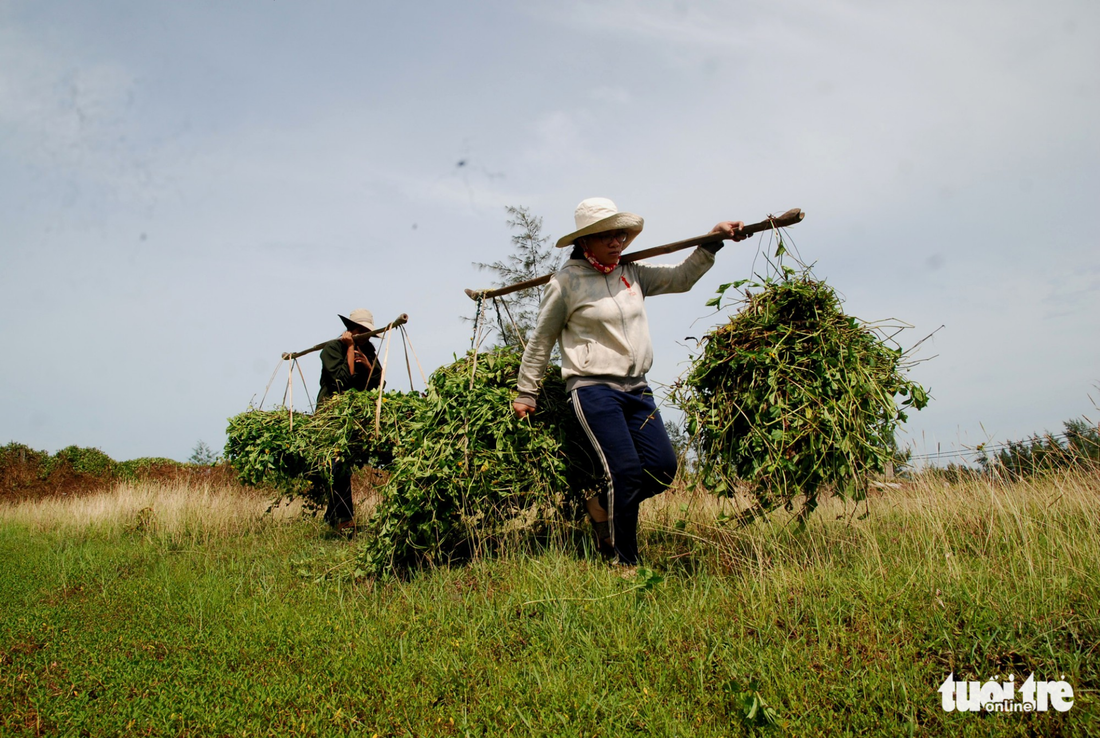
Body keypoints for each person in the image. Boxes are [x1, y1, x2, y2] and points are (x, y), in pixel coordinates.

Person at [512, 198, 746, 567]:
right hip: (592, 388)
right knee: (625, 472)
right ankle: (624, 560)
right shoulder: (567, 282)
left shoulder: (631, 272)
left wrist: (711, 242)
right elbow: (541, 339)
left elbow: (681, 279)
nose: (617, 241)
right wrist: (527, 391)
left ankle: (602, 504)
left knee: (662, 468)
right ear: (585, 241)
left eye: (620, 233)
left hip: (637, 388)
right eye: (606, 235)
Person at [315, 308, 382, 533]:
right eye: (359, 331)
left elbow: (377, 382)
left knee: (344, 465)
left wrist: (365, 364)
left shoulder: (369, 350)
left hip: (357, 415)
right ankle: (344, 519)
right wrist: (350, 349)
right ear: (350, 329)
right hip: (332, 414)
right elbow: (340, 383)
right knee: (337, 463)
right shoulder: (332, 349)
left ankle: (333, 515)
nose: (363, 335)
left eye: (366, 332)